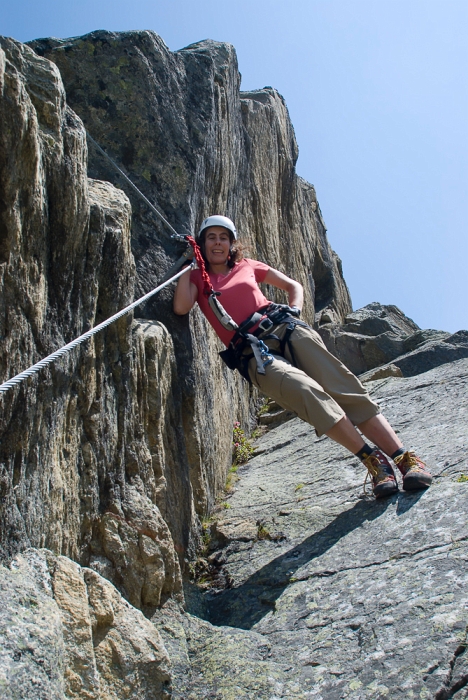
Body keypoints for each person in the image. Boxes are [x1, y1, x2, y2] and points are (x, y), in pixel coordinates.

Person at [173, 215, 432, 498]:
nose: (218, 242)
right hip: (252, 352)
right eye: (211, 237)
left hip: (285, 326)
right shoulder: (200, 278)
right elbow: (182, 307)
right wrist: (189, 264)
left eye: (223, 237)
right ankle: (374, 462)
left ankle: (405, 459)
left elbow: (292, 286)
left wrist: (295, 310)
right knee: (305, 393)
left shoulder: (248, 266)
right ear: (202, 243)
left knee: (341, 387)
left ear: (232, 243)